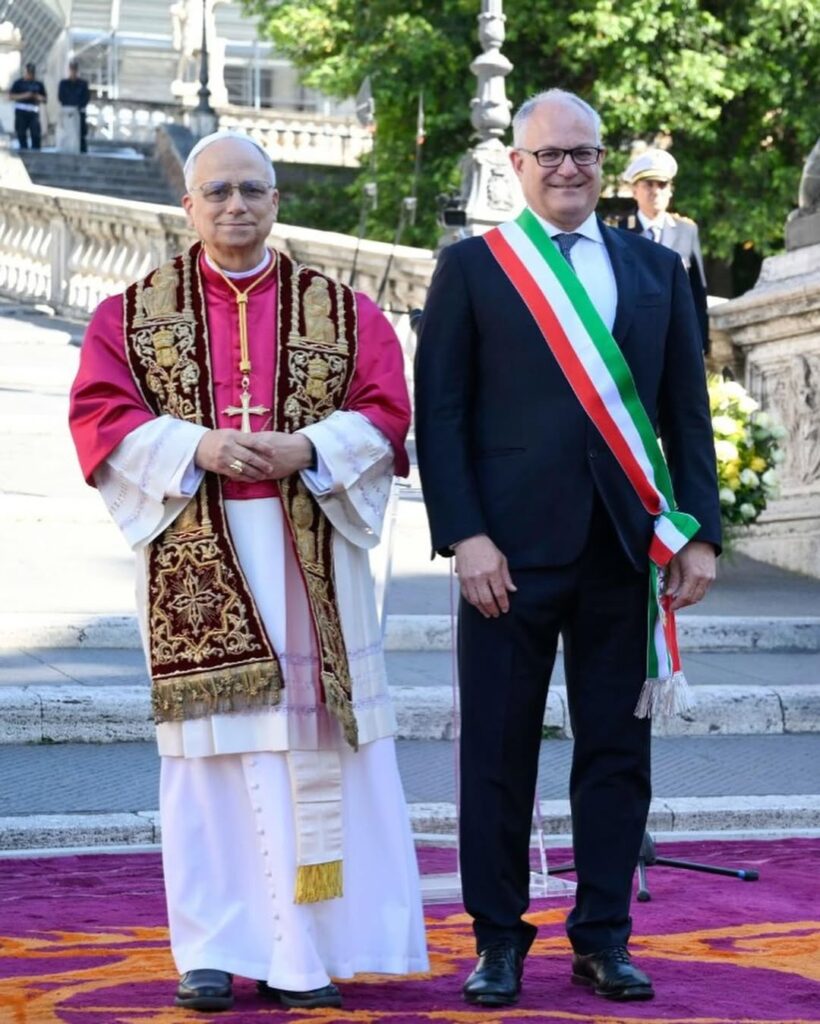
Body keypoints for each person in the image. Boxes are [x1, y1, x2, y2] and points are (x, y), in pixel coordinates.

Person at [69, 129, 428, 1013]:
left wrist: (305, 445)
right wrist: (200, 444)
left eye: (253, 190)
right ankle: (212, 949)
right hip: (200, 562)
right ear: (188, 206)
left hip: (315, 570)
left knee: (314, 754)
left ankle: (310, 949)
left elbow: (386, 410)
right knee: (206, 771)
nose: (236, 205)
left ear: (276, 201)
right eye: (218, 191)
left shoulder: (346, 314)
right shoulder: (129, 314)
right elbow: (100, 415)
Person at [414, 90, 720, 1006]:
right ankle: (499, 941)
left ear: (604, 164)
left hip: (626, 554)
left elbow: (685, 417)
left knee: (617, 757)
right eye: (548, 155)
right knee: (498, 759)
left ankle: (603, 939)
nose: (568, 169)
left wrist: (698, 532)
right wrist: (464, 535)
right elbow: (444, 413)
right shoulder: (473, 267)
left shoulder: (657, 270)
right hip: (504, 557)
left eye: (583, 153)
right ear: (517, 165)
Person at [620, 148, 710, 352]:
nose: (656, 191)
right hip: (635, 342)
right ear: (634, 190)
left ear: (671, 190)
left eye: (662, 185)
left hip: (679, 340)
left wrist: (701, 343)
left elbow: (698, 291)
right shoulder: (619, 232)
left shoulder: (687, 231)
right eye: (648, 184)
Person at [9, 62, 47, 151]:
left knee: (35, 134)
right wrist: (25, 95)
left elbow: (44, 99)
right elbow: (11, 96)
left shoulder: (38, 84)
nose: (30, 75)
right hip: (21, 112)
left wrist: (35, 96)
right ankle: (23, 150)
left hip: (33, 112)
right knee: (21, 133)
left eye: (31, 73)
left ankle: (36, 152)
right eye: (28, 73)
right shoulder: (18, 83)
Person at [58, 59, 91, 153]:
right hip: (67, 113)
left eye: (75, 69)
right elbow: (61, 97)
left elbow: (86, 98)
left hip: (79, 113)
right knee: (66, 134)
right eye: (72, 69)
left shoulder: (83, 84)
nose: (73, 71)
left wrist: (78, 107)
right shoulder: (63, 83)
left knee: (81, 135)